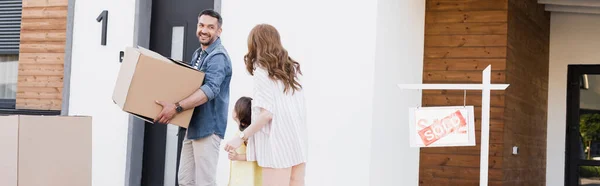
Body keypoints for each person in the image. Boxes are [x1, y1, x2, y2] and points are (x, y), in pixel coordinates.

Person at [154, 9, 232, 186]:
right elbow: (189, 85)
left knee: (204, 182)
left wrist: (176, 107)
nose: (204, 30)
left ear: (219, 31)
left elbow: (210, 89)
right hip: (193, 126)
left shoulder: (218, 56)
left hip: (208, 128)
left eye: (210, 27)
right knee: (185, 180)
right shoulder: (198, 54)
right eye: (201, 25)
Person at [224, 24, 308, 186]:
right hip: (297, 143)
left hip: (276, 147)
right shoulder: (292, 70)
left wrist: (241, 138)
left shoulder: (262, 72)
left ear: (255, 44)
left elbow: (267, 114)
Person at [227, 96, 262, 186]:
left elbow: (256, 154)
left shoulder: (247, 134)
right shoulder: (243, 132)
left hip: (247, 176)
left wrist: (238, 157)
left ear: (237, 113)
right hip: (240, 174)